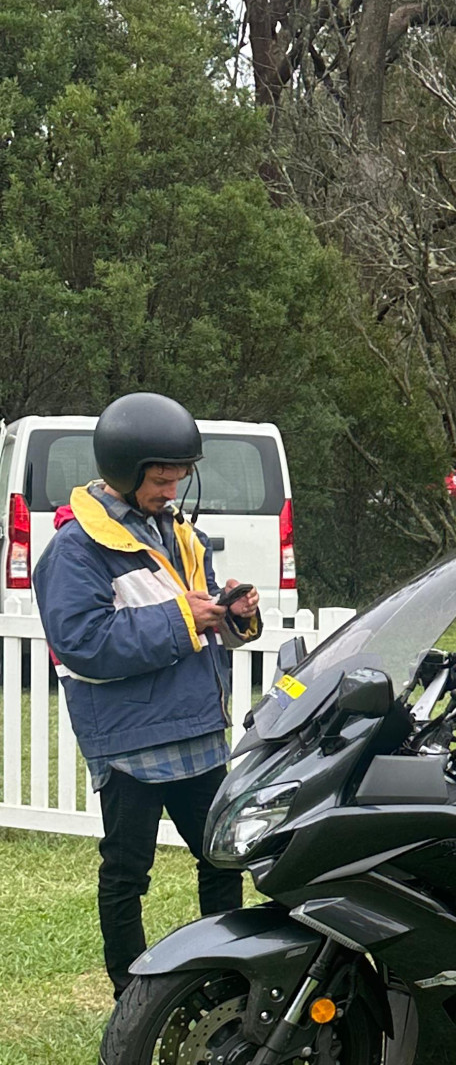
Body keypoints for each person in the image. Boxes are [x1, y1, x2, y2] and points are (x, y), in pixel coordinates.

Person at [32, 393, 262, 998]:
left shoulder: (177, 531)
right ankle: (130, 996)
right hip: (130, 741)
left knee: (221, 860)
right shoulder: (74, 549)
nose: (171, 489)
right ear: (123, 472)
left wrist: (232, 613)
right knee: (128, 872)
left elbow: (196, 615)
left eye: (178, 477)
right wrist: (185, 617)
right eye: (161, 480)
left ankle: (228, 984)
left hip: (198, 729)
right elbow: (82, 643)